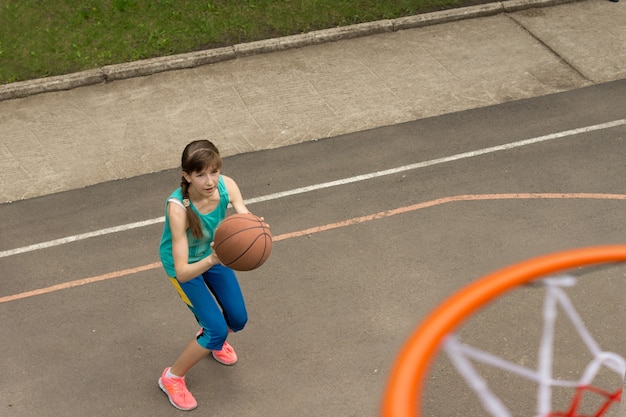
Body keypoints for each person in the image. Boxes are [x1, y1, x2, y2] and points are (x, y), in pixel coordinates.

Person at [157, 139, 253, 411]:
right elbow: (184, 273)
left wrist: (256, 229)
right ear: (187, 176)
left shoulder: (227, 186)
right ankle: (172, 377)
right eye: (200, 174)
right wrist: (212, 258)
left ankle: (212, 335)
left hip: (215, 254)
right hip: (185, 267)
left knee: (238, 319)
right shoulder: (178, 209)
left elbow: (245, 219)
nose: (210, 181)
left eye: (214, 171)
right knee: (216, 330)